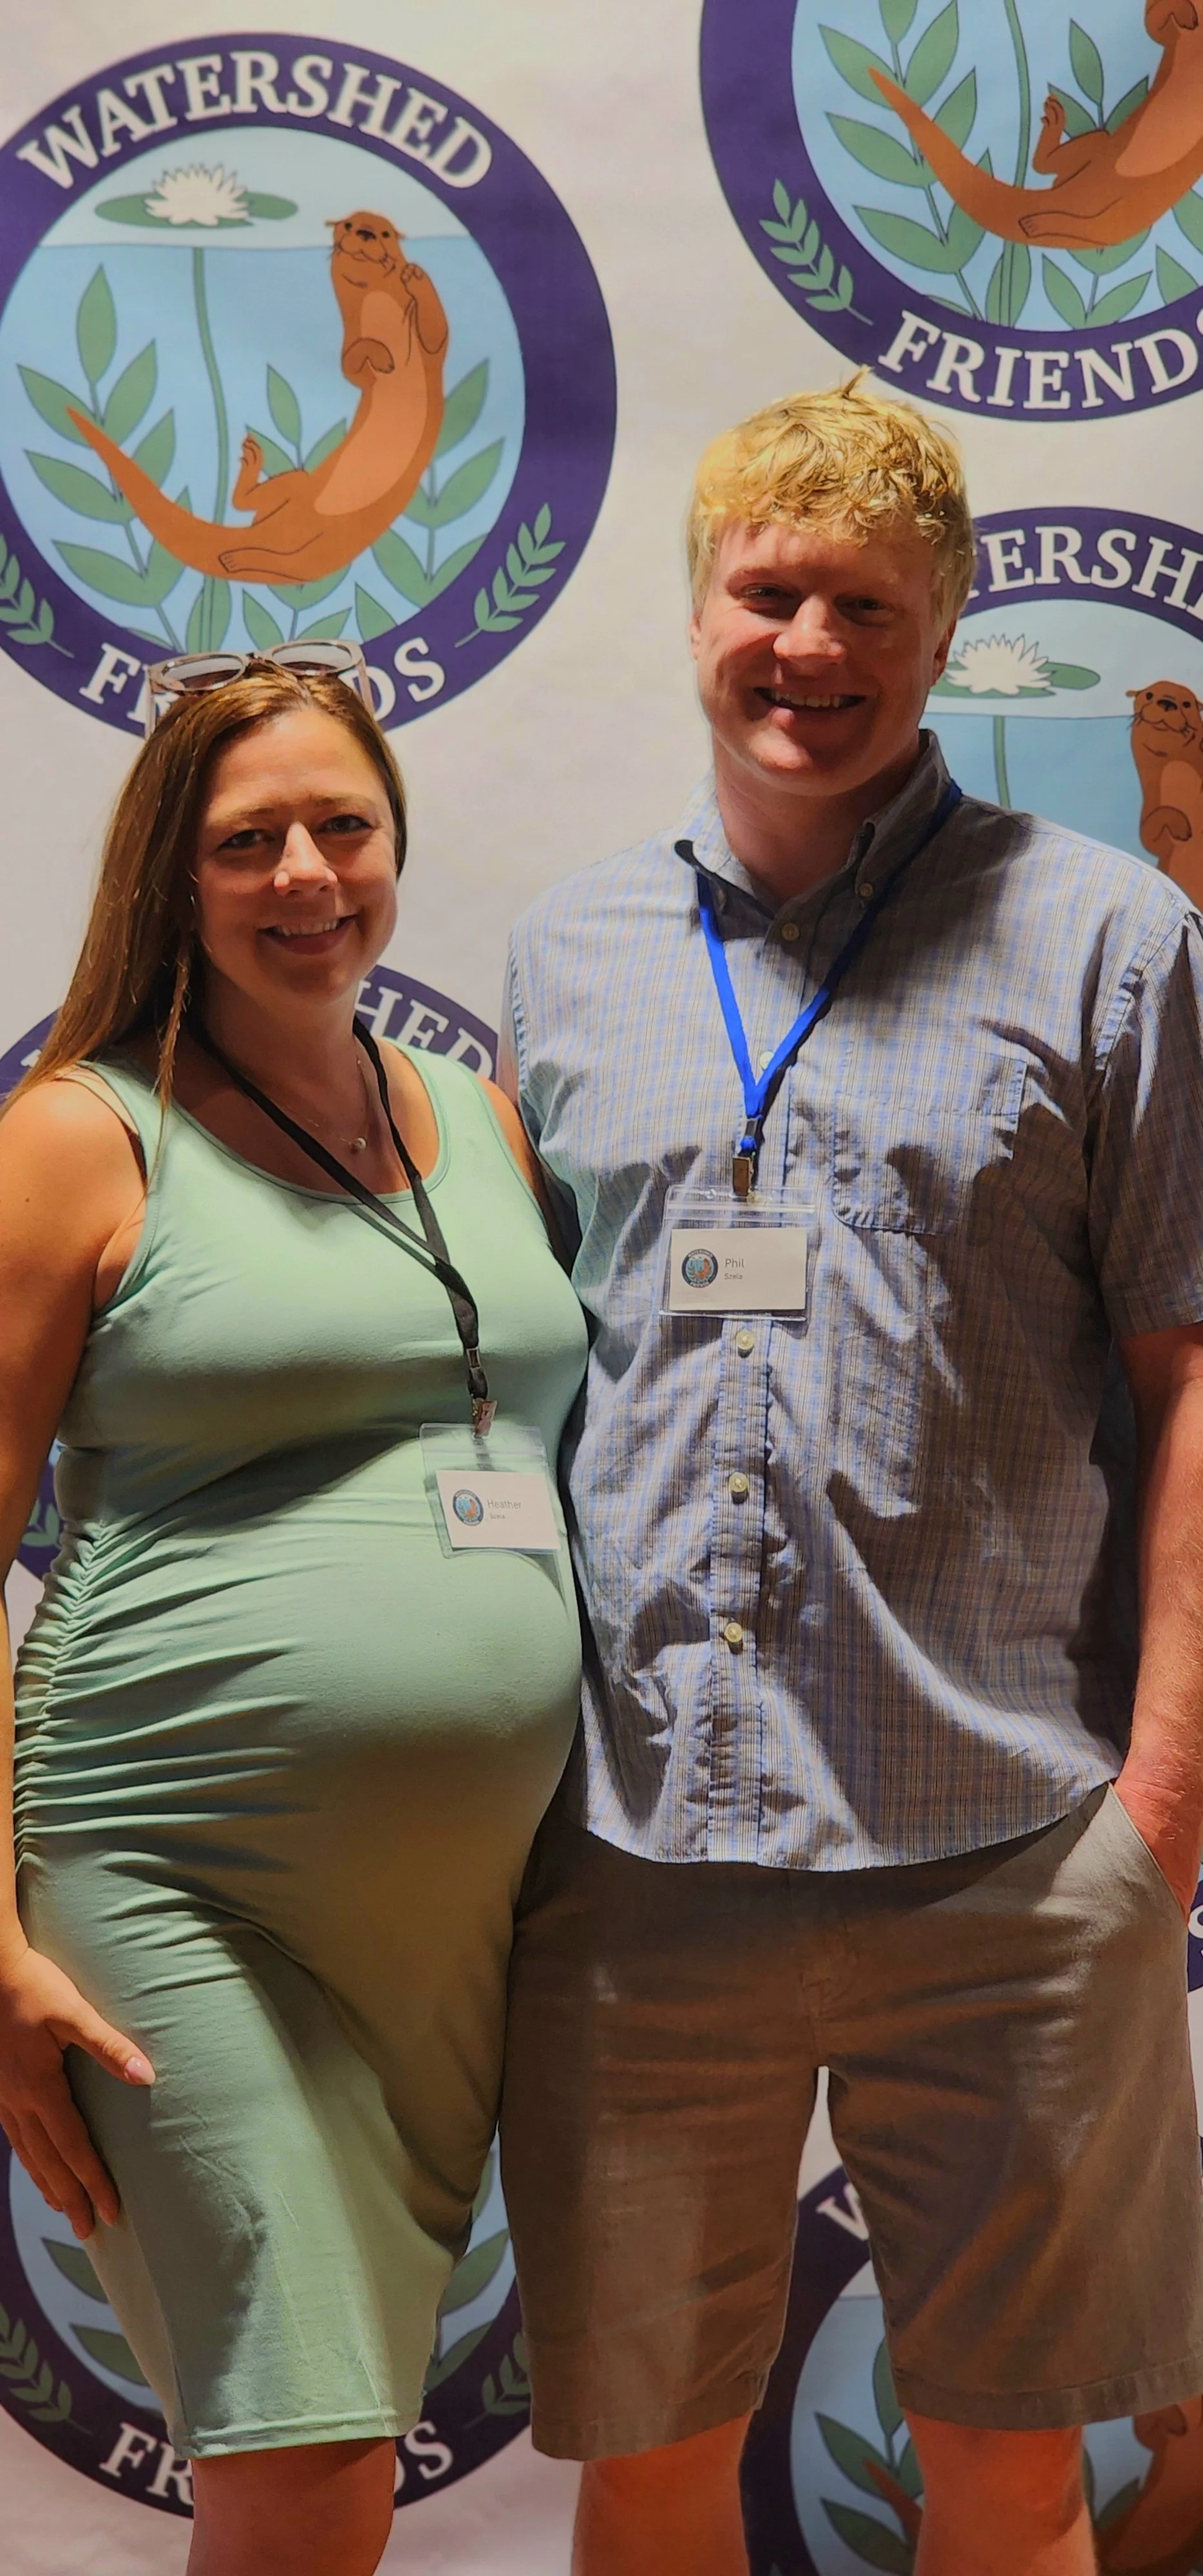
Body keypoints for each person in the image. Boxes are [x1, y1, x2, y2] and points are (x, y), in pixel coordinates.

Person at [498, 382, 1203, 2576]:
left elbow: (1192, 1372)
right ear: (695, 603)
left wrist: (1160, 1801)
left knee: (1008, 2471)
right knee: (645, 2469)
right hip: (637, 1858)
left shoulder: (1108, 941)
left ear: (948, 623)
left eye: (866, 606)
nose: (809, 645)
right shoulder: (566, 956)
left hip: (1002, 1849)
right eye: (767, 592)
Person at [0, 643, 587, 2576]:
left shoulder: (481, 1120)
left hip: (446, 1939)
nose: (307, 877)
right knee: (305, 2451)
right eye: (250, 841)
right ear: (174, 875)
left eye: (345, 827)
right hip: (178, 1882)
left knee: (334, 2446)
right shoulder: (81, 1135)